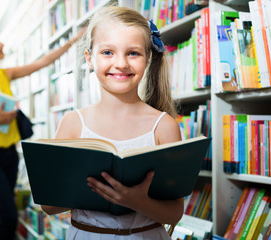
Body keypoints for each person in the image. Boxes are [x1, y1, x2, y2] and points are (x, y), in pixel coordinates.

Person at [41, 5, 183, 240]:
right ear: (90, 58)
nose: (121, 63)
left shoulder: (164, 126)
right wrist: (87, 190)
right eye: (107, 52)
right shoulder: (72, 124)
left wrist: (137, 201)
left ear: (148, 58)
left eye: (133, 53)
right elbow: (48, 206)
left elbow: (175, 213)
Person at [0, 25, 84, 240]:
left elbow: (42, 62)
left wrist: (74, 40)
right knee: (8, 215)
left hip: (9, 156)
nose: (1, 44)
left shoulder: (6, 74)